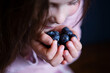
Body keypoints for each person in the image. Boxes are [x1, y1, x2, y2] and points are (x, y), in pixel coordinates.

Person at [0, 0, 90, 73]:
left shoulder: (75, 10)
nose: (60, 19)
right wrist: (28, 47)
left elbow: (75, 53)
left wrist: (67, 55)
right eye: (47, 6)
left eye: (72, 2)